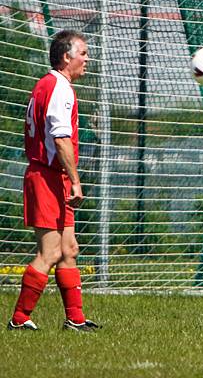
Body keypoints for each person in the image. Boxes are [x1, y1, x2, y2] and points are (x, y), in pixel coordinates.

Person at [8, 30, 100, 331]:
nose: (87, 59)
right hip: (48, 177)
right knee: (50, 252)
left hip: (50, 175)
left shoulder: (44, 85)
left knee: (69, 248)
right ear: (66, 56)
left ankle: (75, 319)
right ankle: (19, 319)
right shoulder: (60, 88)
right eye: (83, 53)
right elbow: (60, 140)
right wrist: (75, 180)